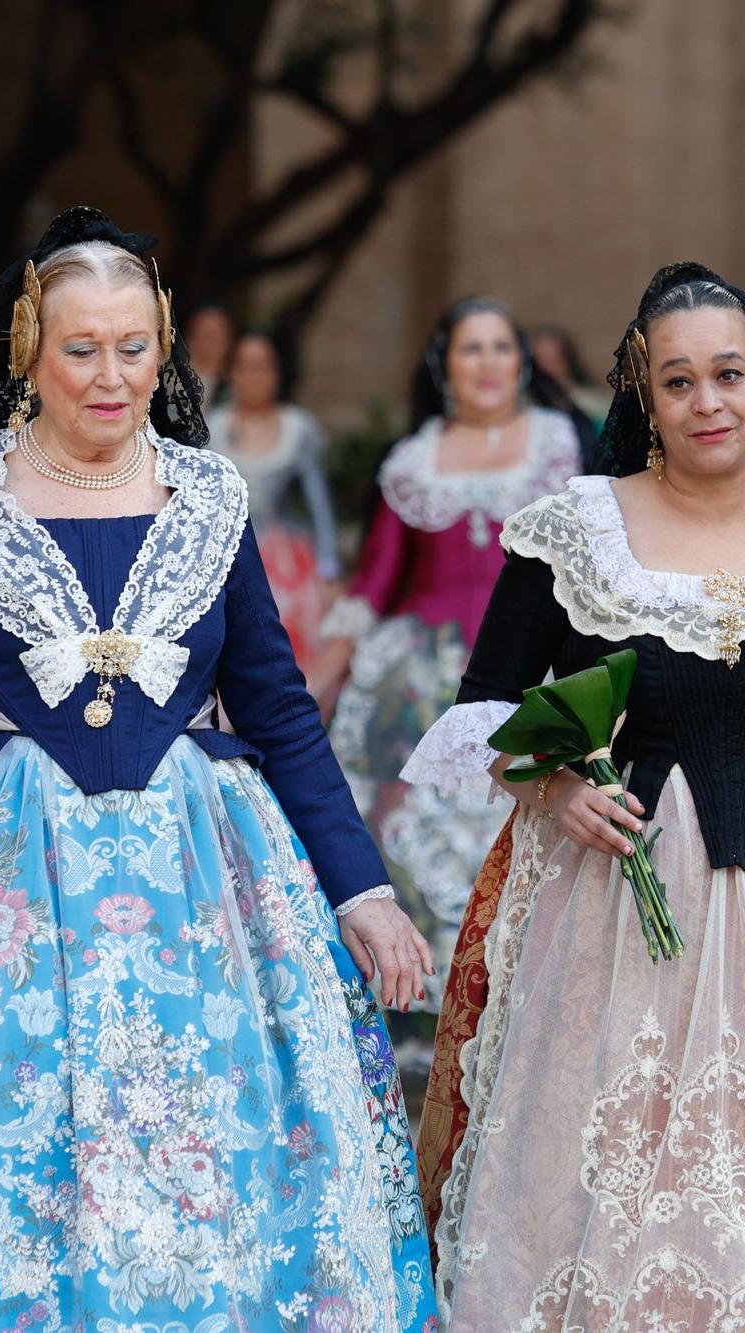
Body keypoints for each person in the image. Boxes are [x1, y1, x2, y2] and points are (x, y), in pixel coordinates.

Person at [0, 209, 439, 1331]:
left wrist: (362, 887)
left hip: (199, 888)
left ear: (164, 349)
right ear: (27, 354)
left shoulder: (210, 498)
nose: (112, 377)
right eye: (82, 349)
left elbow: (281, 708)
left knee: (201, 1164)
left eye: (134, 347)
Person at [402, 263, 745, 1330]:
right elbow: (482, 714)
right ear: (644, 398)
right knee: (618, 1179)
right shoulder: (574, 529)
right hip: (615, 921)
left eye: (729, 376)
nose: (709, 403)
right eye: (681, 381)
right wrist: (556, 784)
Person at [314, 297, 583, 1009]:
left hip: (535, 677)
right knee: (412, 844)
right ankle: (429, 1008)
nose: (488, 363)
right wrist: (320, 677)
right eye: (471, 348)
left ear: (523, 361)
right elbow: (373, 581)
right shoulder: (411, 462)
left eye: (501, 346)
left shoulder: (565, 445)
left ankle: (532, 1006)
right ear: (444, 366)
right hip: (421, 692)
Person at [207, 331, 341, 673]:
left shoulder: (297, 428)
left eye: (263, 367)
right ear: (231, 372)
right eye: (245, 366)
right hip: (221, 554)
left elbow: (319, 503)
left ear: (278, 372)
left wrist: (328, 567)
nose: (254, 377)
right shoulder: (212, 428)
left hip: (285, 558)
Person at [530, 323, 613, 428]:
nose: (546, 368)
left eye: (552, 359)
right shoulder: (528, 408)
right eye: (540, 360)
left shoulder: (594, 402)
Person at [184, 301, 236, 407]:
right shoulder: (168, 382)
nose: (208, 344)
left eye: (215, 337)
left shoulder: (236, 387)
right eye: (205, 336)